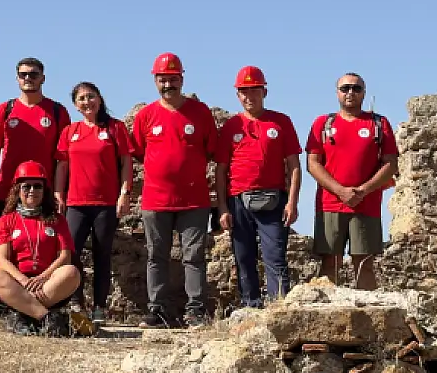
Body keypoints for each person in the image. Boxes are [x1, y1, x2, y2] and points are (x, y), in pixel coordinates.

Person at [130, 53, 220, 328]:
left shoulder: (199, 112)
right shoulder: (145, 116)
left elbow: (212, 150)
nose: (168, 84)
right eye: (162, 79)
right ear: (155, 80)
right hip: (156, 199)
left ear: (181, 78)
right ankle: (157, 310)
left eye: (172, 78)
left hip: (194, 200)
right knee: (156, 255)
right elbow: (137, 151)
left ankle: (195, 310)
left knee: (194, 256)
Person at [215, 66, 302, 307]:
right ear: (237, 95)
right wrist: (222, 207)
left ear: (264, 91)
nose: (248, 96)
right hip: (238, 201)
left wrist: (292, 202)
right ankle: (250, 305)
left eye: (253, 90)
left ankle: (278, 307)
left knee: (275, 256)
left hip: (274, 200)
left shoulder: (281, 122)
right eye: (243, 91)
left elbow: (294, 166)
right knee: (244, 257)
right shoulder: (232, 126)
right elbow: (221, 170)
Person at [305, 72, 398, 290]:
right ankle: (326, 314)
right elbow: (312, 163)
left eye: (356, 89)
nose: (350, 93)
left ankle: (369, 317)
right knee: (330, 262)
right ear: (337, 93)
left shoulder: (379, 123)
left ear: (364, 93)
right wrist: (340, 191)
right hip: (330, 204)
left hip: (366, 204)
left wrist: (363, 191)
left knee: (364, 263)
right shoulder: (323, 123)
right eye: (345, 88)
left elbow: (390, 164)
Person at [53, 82, 132, 323]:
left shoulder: (114, 128)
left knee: (102, 255)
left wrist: (124, 193)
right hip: (76, 203)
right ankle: (75, 302)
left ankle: (99, 307)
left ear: (99, 99)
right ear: (76, 105)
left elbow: (126, 162)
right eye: (81, 99)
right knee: (71, 254)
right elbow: (62, 165)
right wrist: (58, 194)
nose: (87, 102)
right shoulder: (70, 131)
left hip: (105, 203)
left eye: (91, 97)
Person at [0, 161, 82, 336]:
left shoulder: (57, 220)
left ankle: (23, 313)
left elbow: (65, 256)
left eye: (37, 186)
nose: (32, 191)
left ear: (44, 190)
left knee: (71, 272)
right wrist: (23, 281)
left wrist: (43, 278)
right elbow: (2, 260)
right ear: (17, 190)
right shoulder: (6, 221)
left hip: (47, 284)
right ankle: (46, 317)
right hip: (18, 283)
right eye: (26, 186)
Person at [0, 57, 70, 227]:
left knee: (44, 247)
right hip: (6, 191)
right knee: (2, 248)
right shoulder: (5, 110)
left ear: (43, 78)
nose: (28, 78)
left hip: (44, 194)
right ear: (17, 78)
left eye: (34, 74)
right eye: (23, 74)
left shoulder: (57, 112)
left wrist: (58, 192)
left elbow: (63, 158)